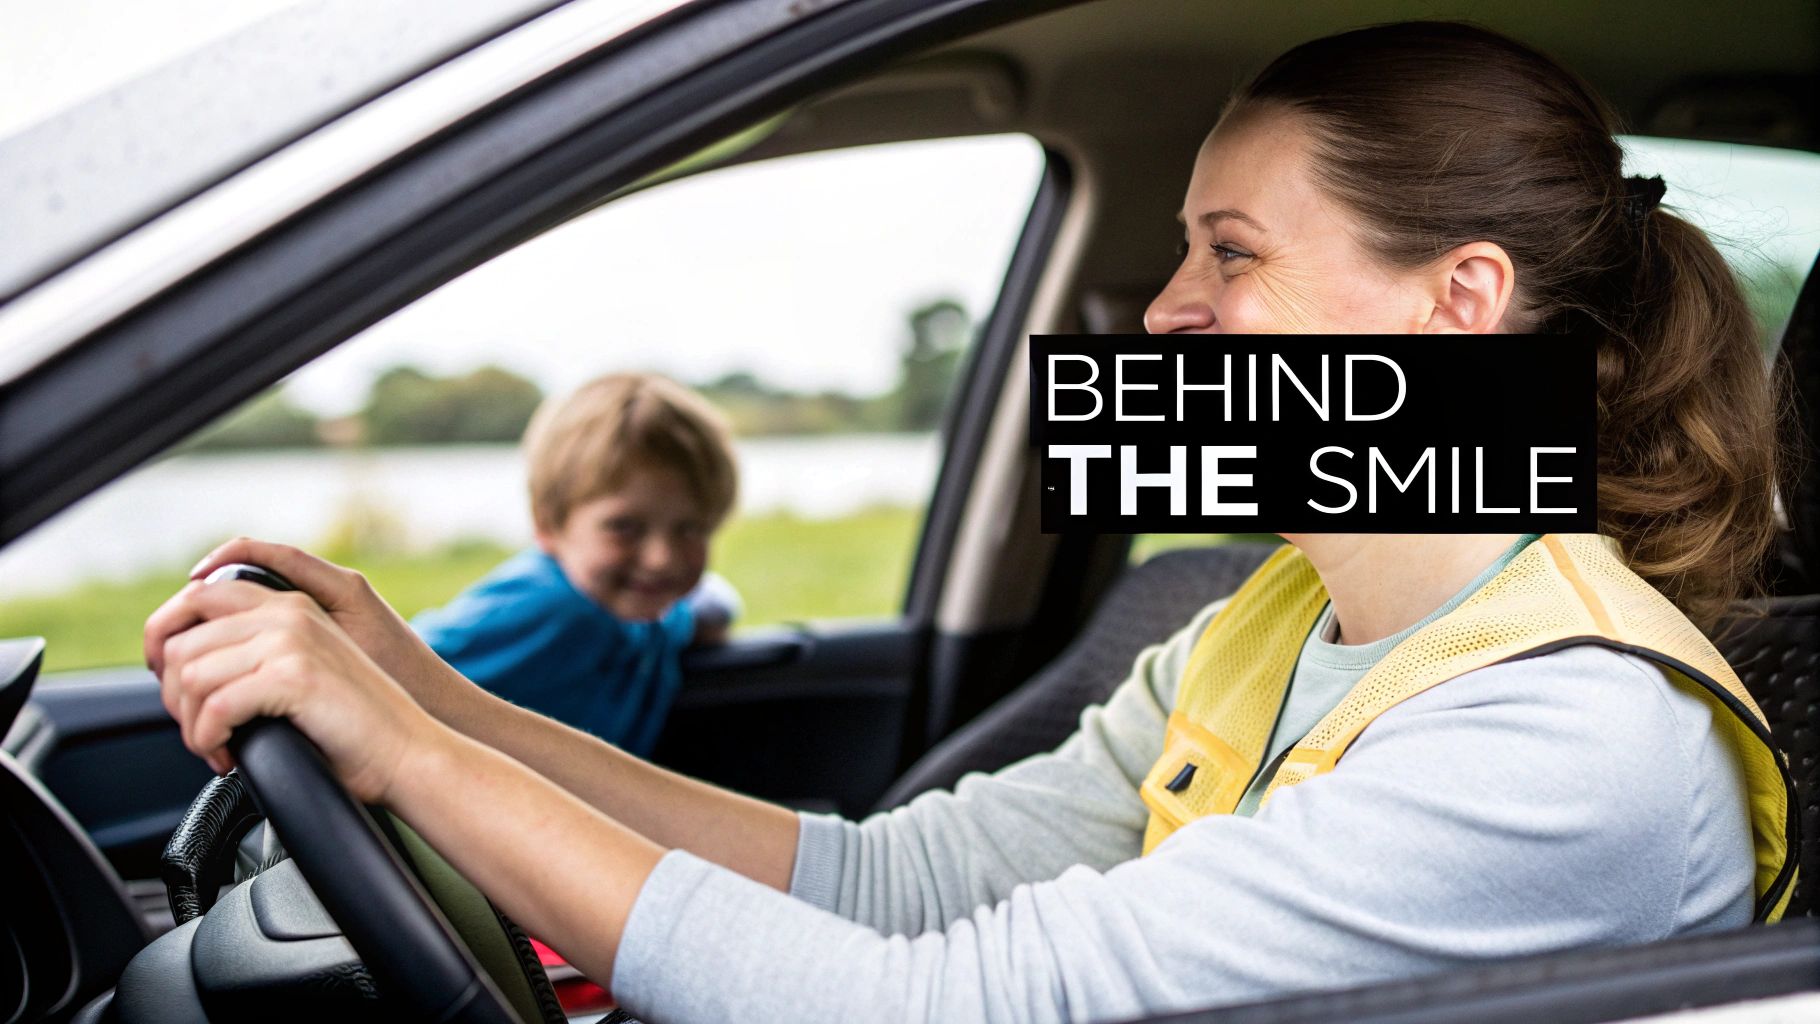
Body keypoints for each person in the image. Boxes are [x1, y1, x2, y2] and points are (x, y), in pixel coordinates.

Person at [145, 22, 1796, 1024]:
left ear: (1458, 303)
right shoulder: (1269, 625)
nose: (1164, 315)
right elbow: (902, 884)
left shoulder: (1573, 737)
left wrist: (410, 761)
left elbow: (933, 1006)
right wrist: (431, 697)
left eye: (1232, 251)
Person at [410, 373, 741, 756]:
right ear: (549, 523)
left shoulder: (641, 613)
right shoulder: (549, 606)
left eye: (691, 529)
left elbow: (697, 611)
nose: (661, 558)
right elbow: (391, 668)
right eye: (625, 527)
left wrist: (711, 615)